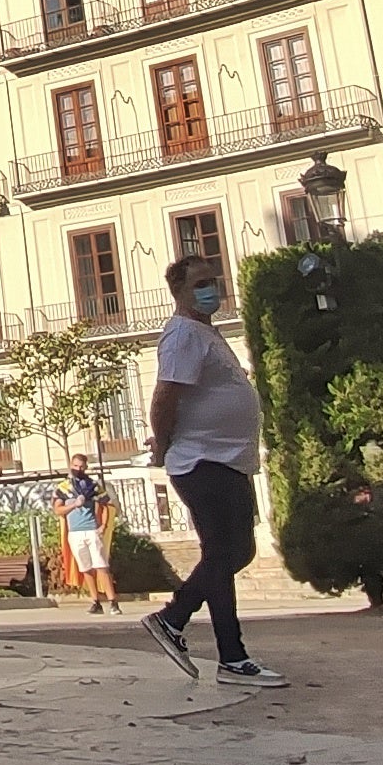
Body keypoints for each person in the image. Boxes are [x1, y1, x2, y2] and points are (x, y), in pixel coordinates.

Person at [139, 253, 288, 688]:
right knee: (233, 551)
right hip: (201, 460)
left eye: (212, 280)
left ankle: (233, 657)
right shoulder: (184, 334)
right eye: (200, 283)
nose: (211, 288)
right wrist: (163, 445)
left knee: (221, 556)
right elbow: (164, 397)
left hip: (222, 458)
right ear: (180, 292)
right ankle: (173, 619)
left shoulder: (206, 333)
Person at [58, 454, 121, 614]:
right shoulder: (63, 487)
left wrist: (103, 526)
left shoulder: (92, 486)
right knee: (86, 568)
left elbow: (107, 504)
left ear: (85, 467)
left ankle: (113, 602)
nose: (78, 469)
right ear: (71, 465)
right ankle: (95, 601)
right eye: (75, 466)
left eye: (81, 466)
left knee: (101, 566)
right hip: (75, 532)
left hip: (91, 529)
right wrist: (72, 506)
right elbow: (57, 509)